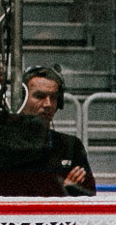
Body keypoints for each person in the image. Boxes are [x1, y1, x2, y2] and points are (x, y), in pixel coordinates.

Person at [17, 65, 96, 195]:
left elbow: (89, 193)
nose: (48, 104)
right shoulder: (6, 146)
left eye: (53, 97)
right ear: (21, 98)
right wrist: (63, 190)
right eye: (39, 96)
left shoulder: (72, 146)